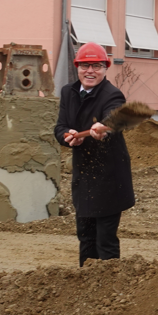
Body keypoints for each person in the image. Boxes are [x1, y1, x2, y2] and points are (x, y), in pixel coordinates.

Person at [55, 42, 135, 266]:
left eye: (97, 66)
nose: (90, 71)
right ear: (77, 67)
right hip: (84, 175)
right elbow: (60, 126)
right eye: (85, 66)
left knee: (105, 240)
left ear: (105, 68)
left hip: (109, 177)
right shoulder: (68, 92)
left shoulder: (113, 94)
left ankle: (109, 283)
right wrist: (68, 136)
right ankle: (86, 281)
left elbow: (114, 118)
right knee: (86, 237)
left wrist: (103, 128)